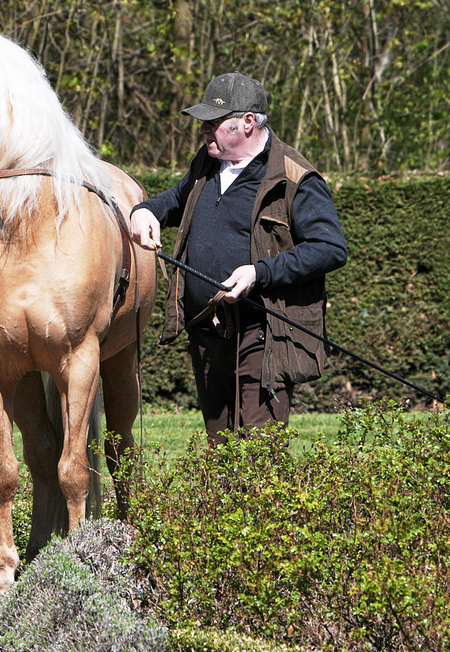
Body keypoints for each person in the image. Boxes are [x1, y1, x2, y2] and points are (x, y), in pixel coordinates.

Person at [129, 72, 347, 435]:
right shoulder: (207, 162)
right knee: (220, 449)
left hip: (263, 332)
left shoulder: (294, 177)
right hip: (207, 330)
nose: (202, 131)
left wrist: (258, 273)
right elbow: (177, 199)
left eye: (212, 123)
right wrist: (146, 210)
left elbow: (330, 248)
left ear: (247, 122)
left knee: (257, 453)